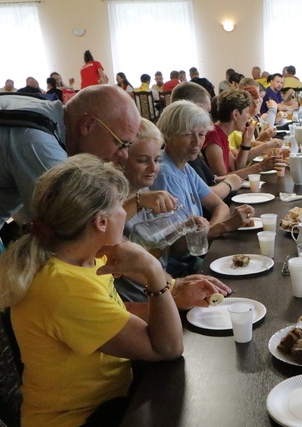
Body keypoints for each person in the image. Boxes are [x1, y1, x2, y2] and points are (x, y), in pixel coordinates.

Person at [0, 155, 224, 427]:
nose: (125, 213)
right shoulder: (62, 285)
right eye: (119, 206)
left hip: (112, 393)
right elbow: (166, 347)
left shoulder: (84, 255)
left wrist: (176, 293)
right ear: (100, 221)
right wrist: (154, 274)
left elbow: (111, 314)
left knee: (195, 410)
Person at [0, 84, 140, 266]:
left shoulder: (39, 110)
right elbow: (81, 233)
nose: (123, 155)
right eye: (120, 143)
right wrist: (157, 278)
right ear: (88, 125)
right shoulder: (38, 142)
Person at [113, 118, 232, 303]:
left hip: (165, 289)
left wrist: (186, 228)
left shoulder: (145, 190)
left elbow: (165, 249)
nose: (154, 168)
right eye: (143, 160)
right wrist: (175, 287)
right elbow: (127, 257)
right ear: (120, 160)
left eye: (157, 160)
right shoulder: (114, 201)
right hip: (142, 303)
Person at [152, 101, 268, 276]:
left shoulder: (185, 166)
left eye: (201, 134)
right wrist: (222, 228)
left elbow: (220, 206)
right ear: (167, 134)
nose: (196, 142)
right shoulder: (165, 174)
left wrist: (209, 232)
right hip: (182, 271)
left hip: (198, 255)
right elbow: (177, 246)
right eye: (187, 134)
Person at [202, 89, 278, 179]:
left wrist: (245, 143)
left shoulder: (221, 134)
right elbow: (222, 179)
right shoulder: (213, 137)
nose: (249, 117)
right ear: (235, 114)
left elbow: (236, 167)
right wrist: (260, 167)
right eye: (246, 112)